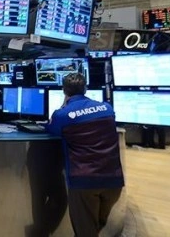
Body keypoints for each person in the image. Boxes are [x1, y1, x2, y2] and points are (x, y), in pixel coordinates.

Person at [46, 73, 124, 237]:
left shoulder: (62, 115)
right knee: (96, 226)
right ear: (85, 89)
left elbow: (52, 130)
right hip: (114, 181)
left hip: (84, 182)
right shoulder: (107, 108)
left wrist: (63, 106)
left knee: (85, 232)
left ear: (64, 91)